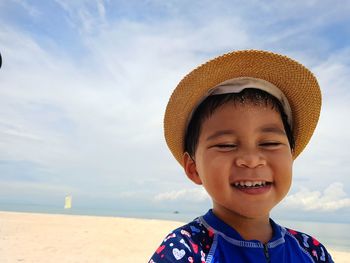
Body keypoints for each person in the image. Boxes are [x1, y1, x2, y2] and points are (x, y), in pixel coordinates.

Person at [149, 50, 333, 262]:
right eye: (226, 145)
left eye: (270, 143)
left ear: (291, 156)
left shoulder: (312, 251)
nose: (252, 159)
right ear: (193, 168)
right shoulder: (184, 249)